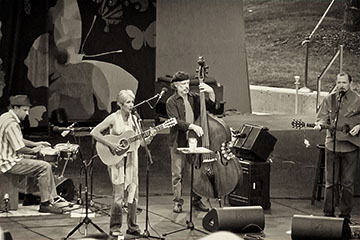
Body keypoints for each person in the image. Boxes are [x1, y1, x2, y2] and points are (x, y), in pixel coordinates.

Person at [90, 89, 155, 238]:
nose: (131, 105)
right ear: (120, 104)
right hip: (117, 160)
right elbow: (94, 132)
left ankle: (132, 226)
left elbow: (142, 143)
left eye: (132, 101)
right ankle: (115, 226)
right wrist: (111, 144)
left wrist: (150, 136)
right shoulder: (113, 118)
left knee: (134, 195)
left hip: (132, 160)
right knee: (118, 197)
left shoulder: (135, 119)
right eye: (128, 102)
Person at [0, 95, 63, 214]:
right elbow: (20, 148)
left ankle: (29, 196)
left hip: (6, 158)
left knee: (35, 159)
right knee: (44, 166)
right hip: (7, 162)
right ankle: (45, 203)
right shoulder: (11, 123)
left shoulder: (5, 117)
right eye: (24, 110)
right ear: (15, 108)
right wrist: (37, 150)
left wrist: (35, 144)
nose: (27, 113)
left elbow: (18, 139)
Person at [166, 71, 216, 213]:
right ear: (175, 85)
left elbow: (210, 107)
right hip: (178, 141)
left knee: (196, 173)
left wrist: (211, 92)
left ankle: (197, 200)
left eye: (187, 84)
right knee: (177, 174)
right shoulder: (171, 102)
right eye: (183, 84)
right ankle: (177, 202)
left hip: (194, 140)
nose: (186, 87)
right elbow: (176, 121)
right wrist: (192, 126)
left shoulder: (194, 97)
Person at [315, 72, 360, 222]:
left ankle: (345, 215)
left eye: (344, 82)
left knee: (347, 183)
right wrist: (320, 124)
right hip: (332, 145)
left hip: (350, 146)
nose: (341, 85)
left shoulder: (358, 100)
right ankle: (328, 214)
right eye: (339, 82)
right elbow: (322, 117)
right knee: (331, 182)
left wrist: (359, 126)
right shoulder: (330, 99)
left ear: (350, 83)